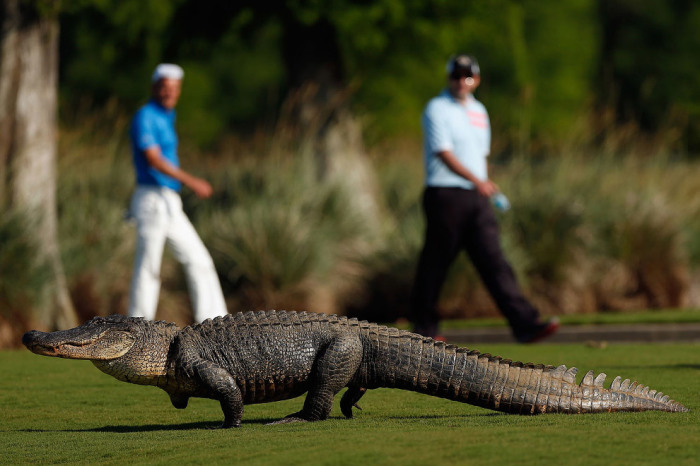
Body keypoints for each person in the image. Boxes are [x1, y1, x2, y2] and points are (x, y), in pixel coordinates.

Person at [410, 54, 559, 343]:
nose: (461, 81)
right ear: (448, 78)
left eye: (467, 76)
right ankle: (424, 329)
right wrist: (478, 181)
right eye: (456, 76)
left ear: (476, 79)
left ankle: (526, 324)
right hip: (445, 195)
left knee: (495, 261)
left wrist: (486, 182)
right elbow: (444, 152)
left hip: (477, 198)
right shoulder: (436, 108)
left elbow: (479, 156)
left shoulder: (479, 110)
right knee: (436, 263)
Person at [127, 63, 228, 323]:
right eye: (164, 87)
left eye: (174, 88)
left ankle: (216, 324)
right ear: (154, 88)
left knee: (199, 260)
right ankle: (139, 328)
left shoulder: (166, 117)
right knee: (149, 266)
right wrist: (192, 181)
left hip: (170, 201)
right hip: (151, 198)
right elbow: (153, 159)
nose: (169, 93)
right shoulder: (146, 116)